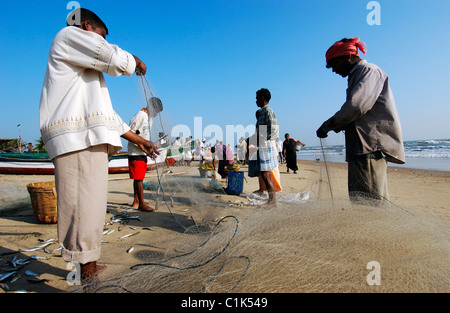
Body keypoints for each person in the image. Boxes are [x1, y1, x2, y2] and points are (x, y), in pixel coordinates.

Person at [39, 8, 159, 284]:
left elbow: (109, 118)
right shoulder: (68, 36)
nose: (101, 43)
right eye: (100, 37)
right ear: (86, 26)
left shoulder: (84, 76)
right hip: (77, 142)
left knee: (90, 207)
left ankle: (88, 266)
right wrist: (136, 62)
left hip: (86, 140)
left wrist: (141, 141)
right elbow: (114, 58)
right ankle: (88, 278)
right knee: (83, 209)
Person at [316, 37, 405, 203]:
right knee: (360, 202)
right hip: (361, 149)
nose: (334, 70)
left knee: (371, 204)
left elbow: (356, 107)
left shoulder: (369, 71)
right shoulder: (356, 75)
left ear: (348, 57)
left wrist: (328, 125)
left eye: (334, 64)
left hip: (370, 148)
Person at [248, 88, 279, 206]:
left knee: (266, 174)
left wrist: (261, 139)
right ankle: (272, 200)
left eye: (257, 99)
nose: (256, 101)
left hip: (265, 145)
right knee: (265, 174)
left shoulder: (268, 111)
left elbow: (273, 129)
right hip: (262, 144)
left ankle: (272, 201)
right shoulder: (262, 112)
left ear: (262, 98)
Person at [127, 106, 158, 212]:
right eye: (157, 111)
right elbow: (130, 133)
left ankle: (137, 201)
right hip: (135, 152)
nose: (157, 114)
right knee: (139, 178)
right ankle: (141, 204)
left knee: (139, 177)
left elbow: (145, 137)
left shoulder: (150, 119)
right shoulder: (140, 115)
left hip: (143, 152)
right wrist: (143, 147)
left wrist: (148, 149)